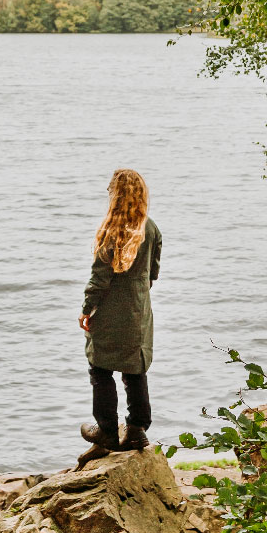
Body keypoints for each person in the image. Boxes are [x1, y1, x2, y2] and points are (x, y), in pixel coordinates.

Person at [77, 167, 162, 464]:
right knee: (134, 369)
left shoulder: (110, 230)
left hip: (110, 313)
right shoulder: (150, 229)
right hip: (138, 313)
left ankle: (107, 432)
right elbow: (153, 274)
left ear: (115, 196)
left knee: (100, 370)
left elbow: (99, 280)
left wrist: (87, 310)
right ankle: (137, 429)